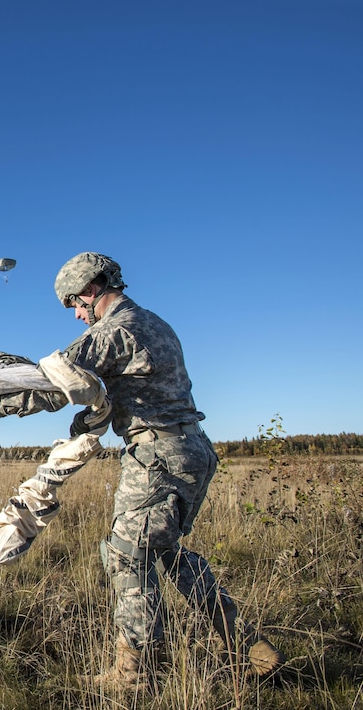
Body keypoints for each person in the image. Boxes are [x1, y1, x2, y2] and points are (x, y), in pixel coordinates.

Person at [52, 252, 285, 690]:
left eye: (75, 305)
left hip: (157, 455)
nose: (78, 316)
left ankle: (136, 673)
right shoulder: (155, 322)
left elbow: (58, 376)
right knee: (164, 548)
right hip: (191, 448)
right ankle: (247, 645)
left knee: (125, 553)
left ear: (89, 289)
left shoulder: (113, 329)